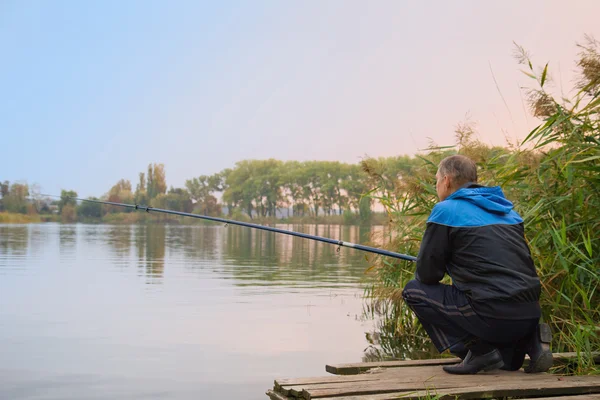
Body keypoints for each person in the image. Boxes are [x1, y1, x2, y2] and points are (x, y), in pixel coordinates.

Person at [402, 154, 552, 374]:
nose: (436, 186)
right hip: (529, 313)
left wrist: (443, 265)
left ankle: (479, 351)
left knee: (413, 291)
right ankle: (532, 340)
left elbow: (427, 276)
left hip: (491, 313)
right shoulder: (508, 211)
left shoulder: (446, 210)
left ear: (446, 180)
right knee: (507, 364)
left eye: (436, 180)